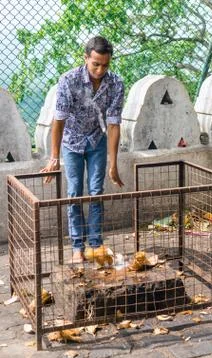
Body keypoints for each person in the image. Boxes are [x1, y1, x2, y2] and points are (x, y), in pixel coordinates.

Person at [41, 36, 124, 263]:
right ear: (86, 58)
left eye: (105, 65)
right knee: (74, 193)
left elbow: (114, 123)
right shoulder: (68, 80)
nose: (100, 69)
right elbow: (59, 120)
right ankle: (77, 247)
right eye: (95, 63)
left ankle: (95, 245)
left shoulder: (116, 83)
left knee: (96, 192)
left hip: (97, 141)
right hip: (72, 142)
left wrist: (113, 163)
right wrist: (54, 157)